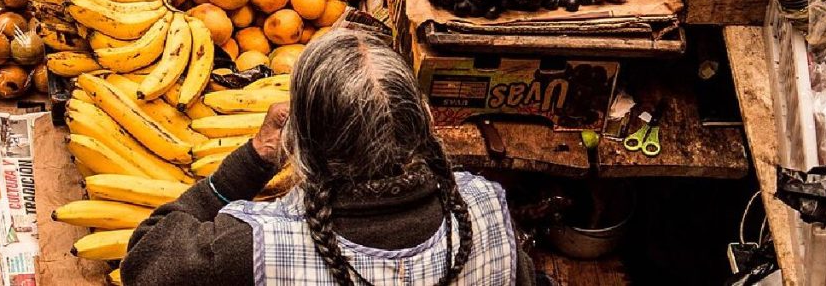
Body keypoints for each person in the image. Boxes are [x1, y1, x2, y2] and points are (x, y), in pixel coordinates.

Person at [121, 28, 535, 285]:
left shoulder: (252, 247)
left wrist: (251, 162)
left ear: (298, 143)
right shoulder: (487, 209)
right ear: (424, 120)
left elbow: (144, 262)